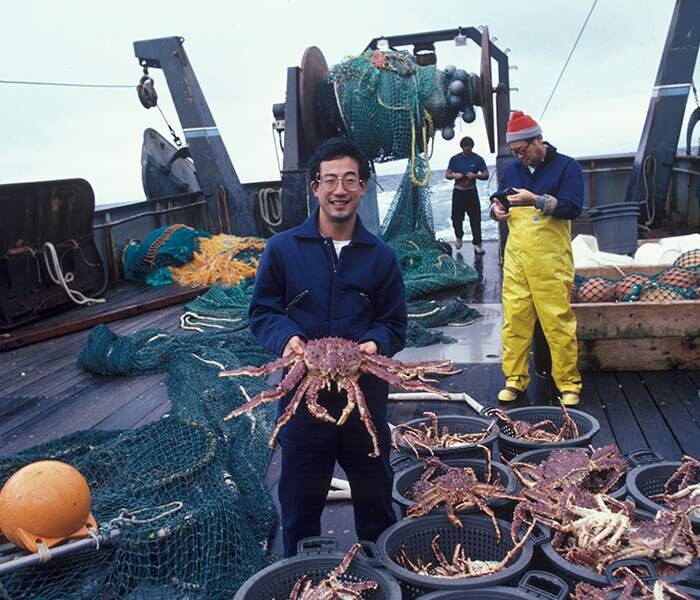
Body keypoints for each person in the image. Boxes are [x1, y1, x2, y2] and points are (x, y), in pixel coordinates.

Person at [248, 137, 407, 557]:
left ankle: (383, 571)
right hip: (301, 402)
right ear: (315, 187)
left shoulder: (382, 256)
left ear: (363, 187)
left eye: (350, 180)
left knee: (376, 503)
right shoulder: (282, 249)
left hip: (365, 400)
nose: (340, 189)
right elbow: (262, 312)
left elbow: (394, 322)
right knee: (298, 508)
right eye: (330, 180)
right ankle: (300, 572)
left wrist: (376, 342)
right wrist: (288, 339)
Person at [490, 111, 583, 406]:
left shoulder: (566, 166)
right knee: (515, 321)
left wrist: (536, 200)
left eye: (523, 150)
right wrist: (497, 210)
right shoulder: (513, 170)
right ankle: (515, 378)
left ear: (538, 140)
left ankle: (568, 382)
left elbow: (573, 207)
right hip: (517, 258)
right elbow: (498, 200)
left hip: (550, 260)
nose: (520, 157)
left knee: (557, 321)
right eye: (514, 152)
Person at [446, 136, 489, 253]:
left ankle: (477, 244)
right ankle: (459, 236)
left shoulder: (478, 159)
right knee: (456, 218)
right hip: (458, 192)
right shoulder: (454, 159)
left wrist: (476, 176)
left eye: (469, 149)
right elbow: (447, 174)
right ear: (462, 148)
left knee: (475, 219)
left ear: (472, 147)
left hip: (471, 191)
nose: (467, 151)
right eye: (465, 149)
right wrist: (455, 176)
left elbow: (486, 174)